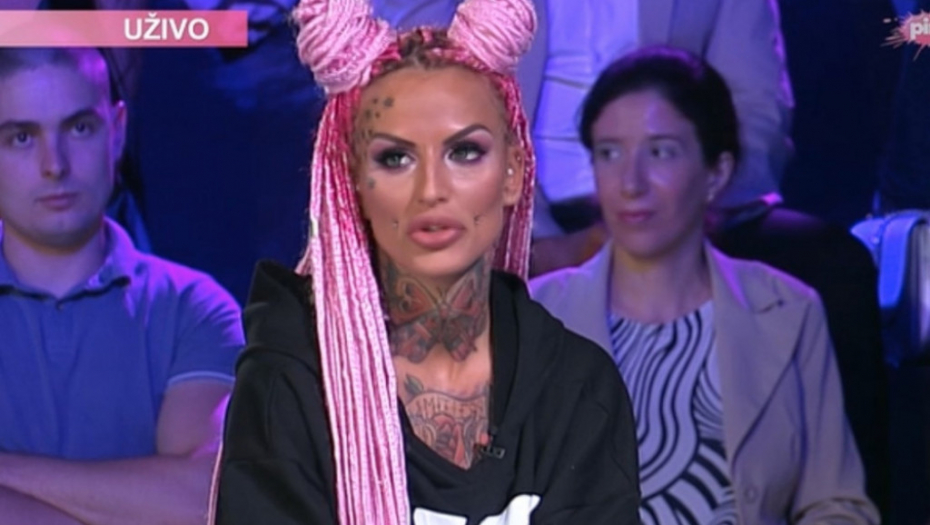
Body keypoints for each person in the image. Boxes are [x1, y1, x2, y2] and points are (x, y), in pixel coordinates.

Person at [211, 0, 640, 524]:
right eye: (396, 158)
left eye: (464, 153)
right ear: (354, 183)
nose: (431, 189)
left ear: (513, 171)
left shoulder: (579, 388)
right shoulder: (288, 383)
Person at [530, 47, 878, 525]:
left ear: (716, 173)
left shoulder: (789, 309)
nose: (631, 183)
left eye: (660, 152)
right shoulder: (533, 318)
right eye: (610, 153)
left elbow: (835, 503)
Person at [0, 48, 243, 524]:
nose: (55, 165)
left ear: (117, 131)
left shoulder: (195, 309)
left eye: (79, 128)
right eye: (22, 137)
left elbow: (202, 502)